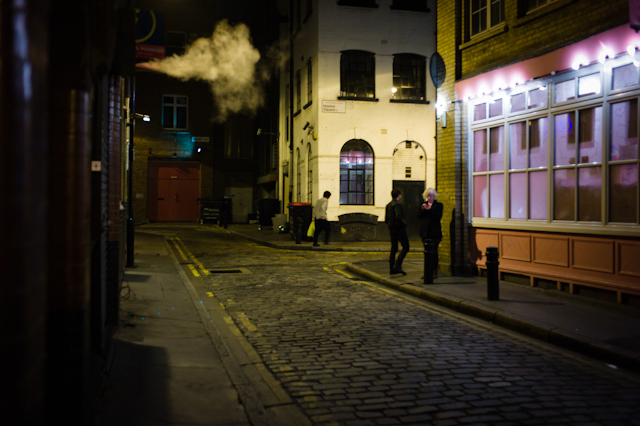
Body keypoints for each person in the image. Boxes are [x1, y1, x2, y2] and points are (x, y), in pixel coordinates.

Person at [419, 187, 443, 279]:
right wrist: (423, 209)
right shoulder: (423, 204)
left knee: (434, 252)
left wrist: (430, 209)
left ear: (434, 196)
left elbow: (438, 216)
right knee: (426, 253)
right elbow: (419, 216)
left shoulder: (438, 205)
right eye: (428, 195)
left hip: (435, 232)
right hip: (425, 232)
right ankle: (427, 272)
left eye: (431, 196)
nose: (429, 197)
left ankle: (434, 271)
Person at [385, 188, 409, 275]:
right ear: (398, 195)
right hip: (399, 229)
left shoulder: (388, 205)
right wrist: (404, 224)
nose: (401, 196)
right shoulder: (397, 205)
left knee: (394, 248)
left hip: (392, 229)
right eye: (400, 194)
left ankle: (392, 268)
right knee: (406, 246)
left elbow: (386, 219)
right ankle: (398, 265)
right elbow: (398, 216)